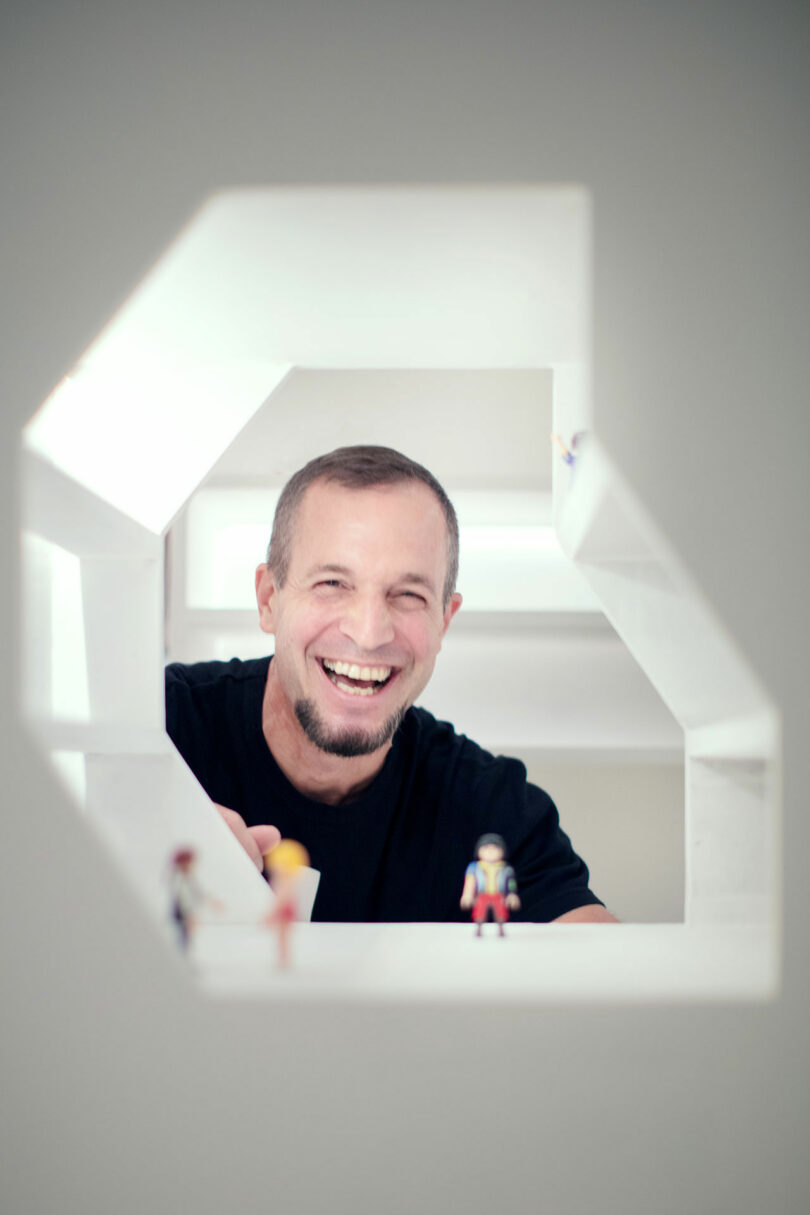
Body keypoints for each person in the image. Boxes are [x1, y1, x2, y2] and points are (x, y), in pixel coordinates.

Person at [166, 445, 617, 924]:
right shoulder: (160, 728)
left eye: (408, 594)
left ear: (444, 620)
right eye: (332, 584)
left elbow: (609, 972)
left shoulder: (488, 810)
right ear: (269, 599)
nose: (368, 633)